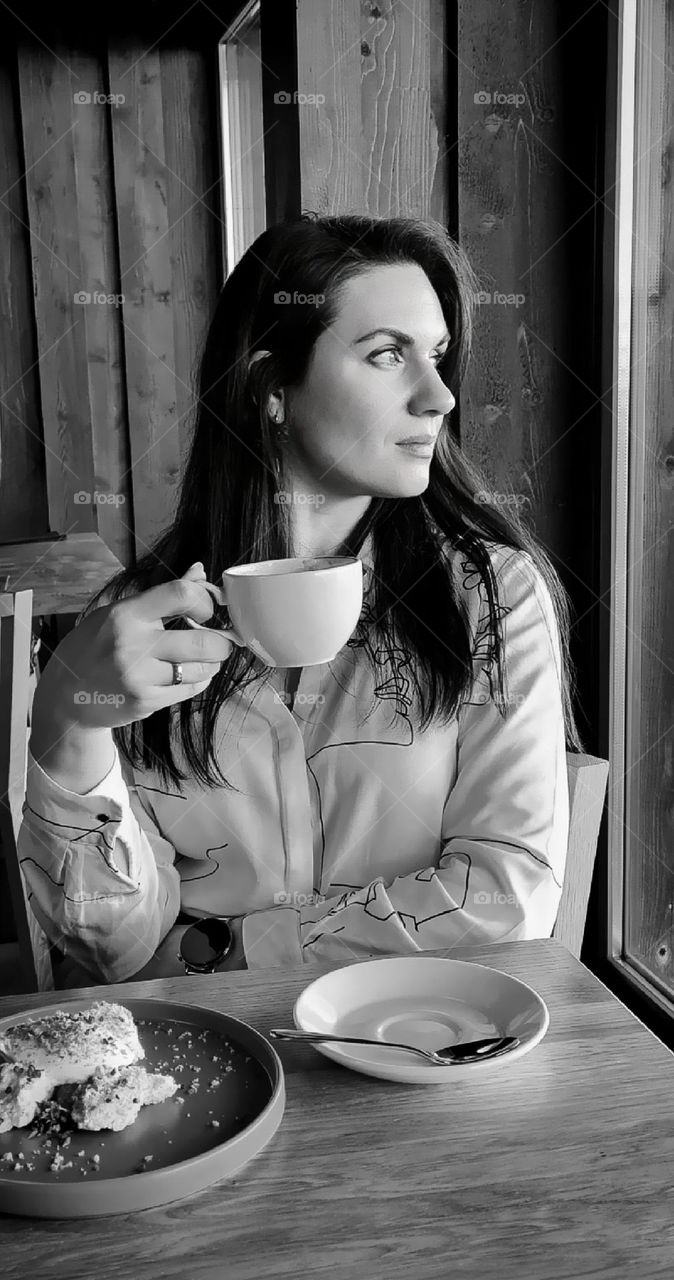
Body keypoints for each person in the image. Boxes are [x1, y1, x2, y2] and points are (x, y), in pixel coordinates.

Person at [20, 213, 584, 987]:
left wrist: (231, 948)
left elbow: (506, 898)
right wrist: (67, 723)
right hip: (214, 1064)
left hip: (422, 1051)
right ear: (270, 388)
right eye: (389, 354)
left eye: (438, 357)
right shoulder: (136, 629)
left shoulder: (491, 597)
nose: (440, 398)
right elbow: (115, 949)